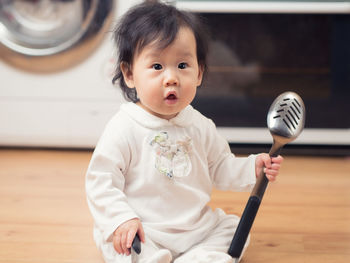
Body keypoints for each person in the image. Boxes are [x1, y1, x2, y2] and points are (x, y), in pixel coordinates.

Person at [85, 1, 283, 262]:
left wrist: (252, 168)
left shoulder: (200, 125)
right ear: (129, 73)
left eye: (182, 66)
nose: (171, 78)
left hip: (196, 228)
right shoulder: (123, 127)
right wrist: (122, 219)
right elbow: (101, 181)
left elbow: (220, 166)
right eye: (157, 67)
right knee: (114, 238)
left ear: (199, 73)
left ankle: (198, 256)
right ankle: (156, 257)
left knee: (234, 229)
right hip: (145, 229)